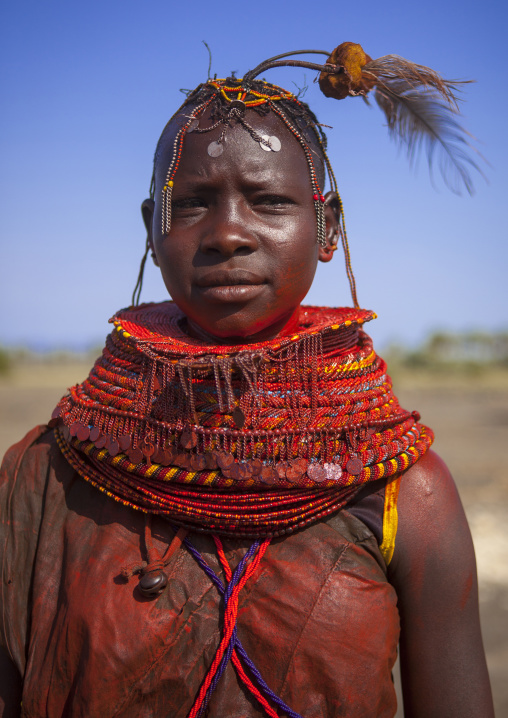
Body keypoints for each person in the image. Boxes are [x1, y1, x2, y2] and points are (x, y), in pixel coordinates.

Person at [0, 42, 494, 717]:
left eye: (267, 200)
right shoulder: (44, 474)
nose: (228, 233)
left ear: (328, 226)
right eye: (194, 203)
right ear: (153, 227)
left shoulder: (405, 491)